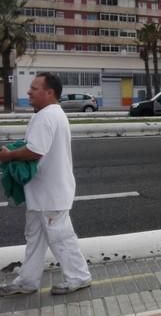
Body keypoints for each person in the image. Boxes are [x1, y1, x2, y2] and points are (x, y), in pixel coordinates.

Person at [0, 73, 92, 297]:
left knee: (61, 238)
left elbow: (35, 151)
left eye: (34, 88)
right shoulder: (52, 114)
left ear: (49, 93)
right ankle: (27, 281)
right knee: (34, 239)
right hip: (42, 194)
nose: (29, 92)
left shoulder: (46, 116)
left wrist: (10, 155)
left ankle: (79, 277)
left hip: (51, 194)